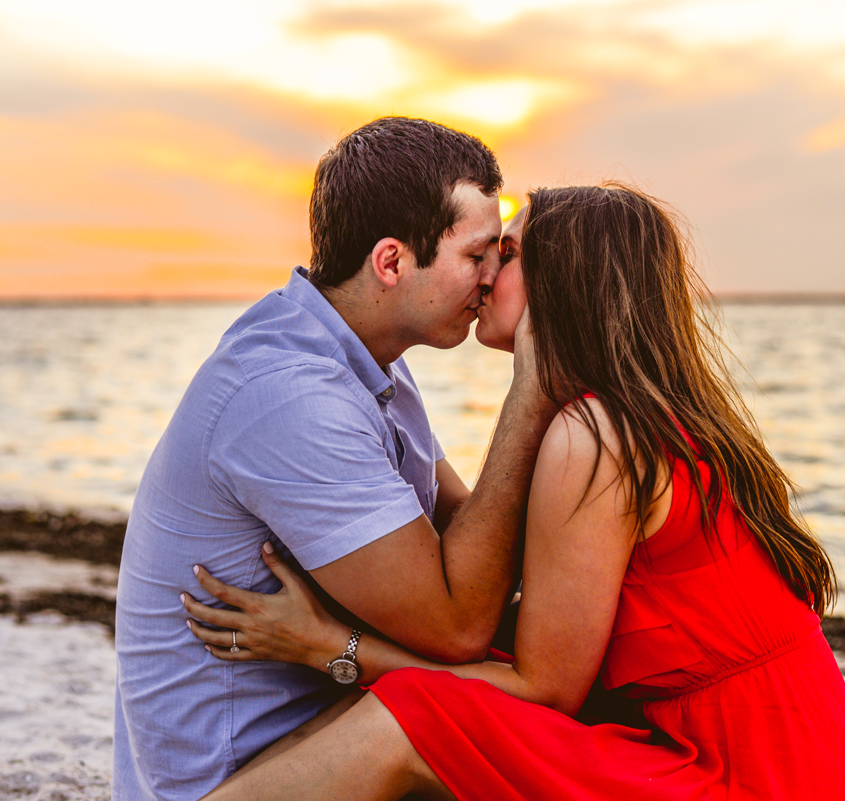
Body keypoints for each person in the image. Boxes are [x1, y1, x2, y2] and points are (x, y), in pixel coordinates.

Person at [183, 185, 845, 801]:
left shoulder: (591, 439)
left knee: (408, 715)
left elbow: (543, 689)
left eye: (507, 253)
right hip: (797, 763)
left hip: (751, 780)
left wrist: (327, 646)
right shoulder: (641, 417)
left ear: (564, 281)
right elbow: (470, 576)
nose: (485, 272)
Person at [113, 117, 559, 801]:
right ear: (391, 262)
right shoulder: (288, 395)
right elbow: (460, 622)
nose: (495, 276)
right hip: (236, 776)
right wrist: (532, 389)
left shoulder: (367, 359)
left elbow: (468, 533)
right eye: (477, 256)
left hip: (318, 723)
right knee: (531, 720)